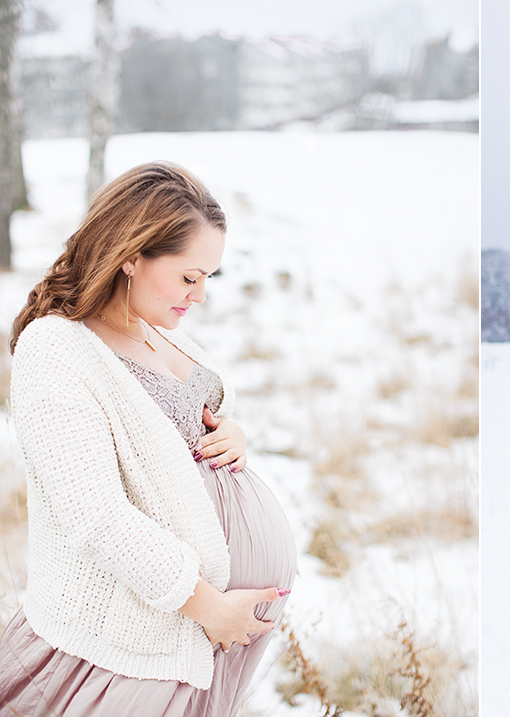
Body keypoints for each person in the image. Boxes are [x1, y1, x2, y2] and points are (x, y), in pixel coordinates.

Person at [0, 162, 297, 716]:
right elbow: (93, 513)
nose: (201, 296)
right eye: (189, 277)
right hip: (140, 637)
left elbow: (180, 426)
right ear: (131, 256)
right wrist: (208, 606)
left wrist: (232, 433)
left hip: (198, 630)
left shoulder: (152, 327)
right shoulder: (56, 349)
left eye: (211, 277)